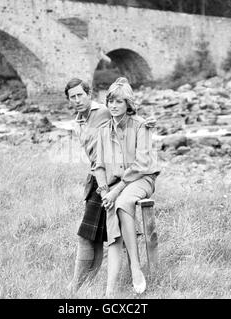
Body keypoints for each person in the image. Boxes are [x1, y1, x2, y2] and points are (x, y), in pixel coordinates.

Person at [64, 78, 156, 294]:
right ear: (68, 100)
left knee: (90, 234)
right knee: (98, 235)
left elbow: (125, 107)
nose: (77, 100)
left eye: (80, 95)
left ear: (89, 94)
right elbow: (97, 160)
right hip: (100, 178)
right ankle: (94, 289)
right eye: (72, 97)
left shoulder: (104, 111)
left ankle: (77, 287)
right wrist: (104, 188)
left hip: (120, 178)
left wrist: (147, 122)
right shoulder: (80, 121)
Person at [94, 77, 160, 297]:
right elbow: (98, 165)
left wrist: (116, 189)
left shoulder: (141, 126)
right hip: (114, 185)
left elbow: (142, 164)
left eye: (119, 102)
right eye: (111, 101)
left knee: (122, 203)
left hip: (142, 178)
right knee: (114, 208)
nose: (113, 105)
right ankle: (110, 291)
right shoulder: (103, 130)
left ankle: (134, 266)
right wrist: (105, 191)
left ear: (128, 104)